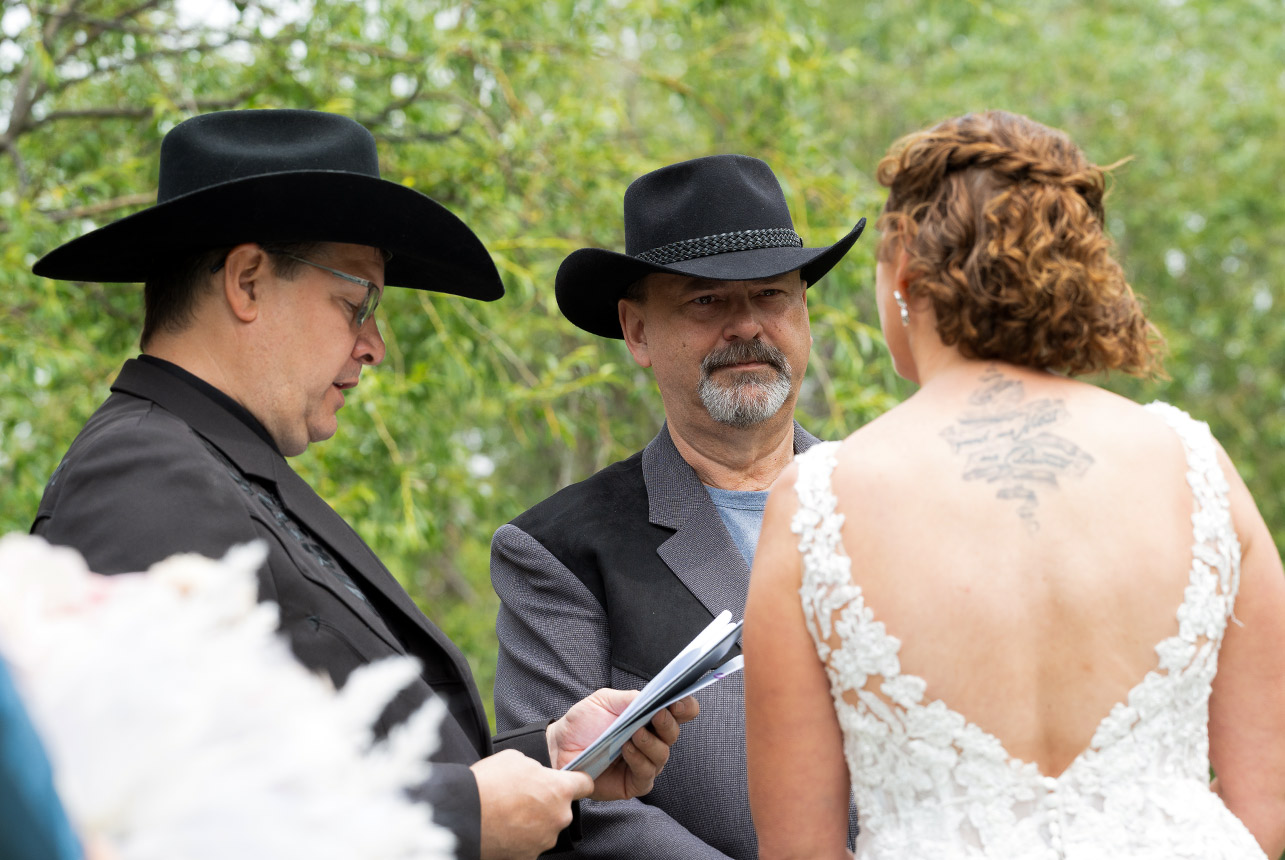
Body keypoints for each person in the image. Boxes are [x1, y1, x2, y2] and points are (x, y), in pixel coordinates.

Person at [29, 108, 695, 860]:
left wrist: (547, 759)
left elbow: (300, 767)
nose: (373, 346)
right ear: (247, 282)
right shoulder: (141, 475)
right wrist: (464, 815)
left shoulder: (206, 461)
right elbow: (162, 810)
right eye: (355, 305)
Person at [743, 110, 1285, 859]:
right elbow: (1264, 807)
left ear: (902, 270)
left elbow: (798, 851)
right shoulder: (1193, 465)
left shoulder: (818, 502)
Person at [490, 153, 865, 858]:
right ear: (636, 331)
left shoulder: (889, 499)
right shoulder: (559, 551)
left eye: (771, 297)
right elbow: (562, 798)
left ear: (804, 312)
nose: (746, 327)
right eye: (706, 301)